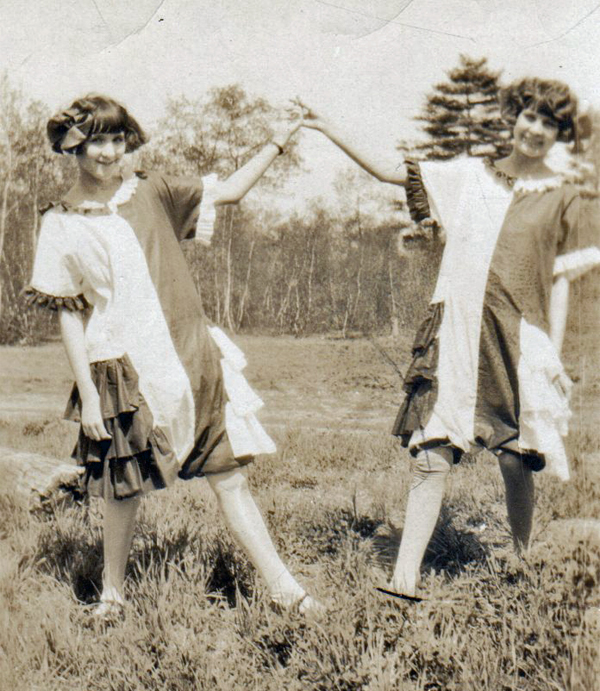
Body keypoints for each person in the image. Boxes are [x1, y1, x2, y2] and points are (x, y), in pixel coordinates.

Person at [297, 79, 600, 599]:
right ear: (514, 117)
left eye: (549, 124)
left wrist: (550, 352)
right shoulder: (469, 175)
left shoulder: (563, 199)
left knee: (515, 456)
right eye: (530, 116)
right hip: (458, 329)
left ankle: (524, 565)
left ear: (559, 134)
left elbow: (559, 283)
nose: (536, 130)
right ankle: (405, 577)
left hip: (518, 341)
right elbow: (393, 172)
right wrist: (327, 128)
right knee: (431, 451)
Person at [26, 93, 321, 618]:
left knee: (230, 479)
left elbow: (228, 190)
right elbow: (70, 314)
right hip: (123, 370)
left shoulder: (153, 191)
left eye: (118, 139)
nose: (110, 152)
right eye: (97, 140)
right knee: (123, 490)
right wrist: (90, 398)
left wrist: (282, 137)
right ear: (74, 146)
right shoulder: (61, 222)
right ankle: (113, 595)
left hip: (193, 358)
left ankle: (286, 591)